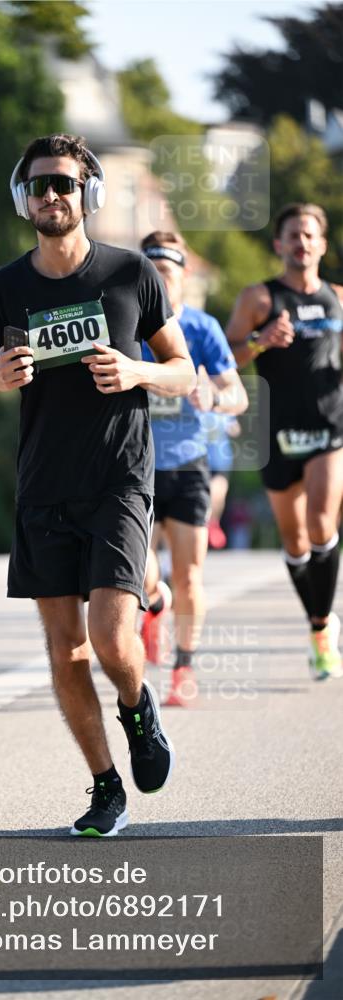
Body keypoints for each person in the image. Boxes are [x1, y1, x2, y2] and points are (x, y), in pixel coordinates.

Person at [0, 134, 196, 837]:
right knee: (63, 652)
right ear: (22, 198)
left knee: (112, 638)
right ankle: (103, 787)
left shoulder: (129, 275)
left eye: (63, 184)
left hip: (118, 479)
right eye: (38, 186)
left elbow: (182, 371)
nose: (51, 196)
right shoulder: (4, 287)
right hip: (41, 488)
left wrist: (137, 372)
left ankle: (136, 707)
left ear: (87, 193)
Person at [226, 203, 343, 679]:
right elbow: (225, 358)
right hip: (276, 434)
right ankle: (317, 621)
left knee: (320, 521)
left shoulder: (338, 297)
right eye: (293, 235)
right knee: (294, 542)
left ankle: (320, 628)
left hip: (329, 429)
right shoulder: (259, 298)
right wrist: (260, 342)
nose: (302, 243)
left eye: (310, 235)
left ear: (322, 243)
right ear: (279, 244)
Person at [139, 232, 248, 707]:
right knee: (139, 575)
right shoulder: (127, 324)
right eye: (151, 274)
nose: (159, 283)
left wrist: (215, 398)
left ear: (183, 277)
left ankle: (183, 668)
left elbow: (238, 395)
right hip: (132, 464)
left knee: (189, 576)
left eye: (167, 274)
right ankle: (154, 604)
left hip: (187, 463)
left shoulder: (202, 329)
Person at [204, 413, 241, 549]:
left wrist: (232, 428)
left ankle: (213, 522)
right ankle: (204, 522)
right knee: (207, 494)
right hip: (198, 461)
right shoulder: (193, 407)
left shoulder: (223, 407)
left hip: (220, 460)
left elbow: (235, 428)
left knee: (218, 493)